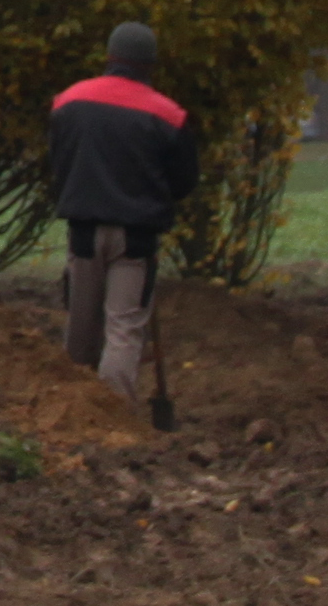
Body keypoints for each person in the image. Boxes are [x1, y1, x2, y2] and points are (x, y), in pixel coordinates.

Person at [49, 22, 197, 405]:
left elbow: (59, 160)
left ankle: (71, 410)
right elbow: (183, 182)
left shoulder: (68, 102)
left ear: (110, 56)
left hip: (82, 231)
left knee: (80, 327)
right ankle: (114, 415)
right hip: (136, 238)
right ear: (150, 64)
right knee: (124, 328)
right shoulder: (168, 115)